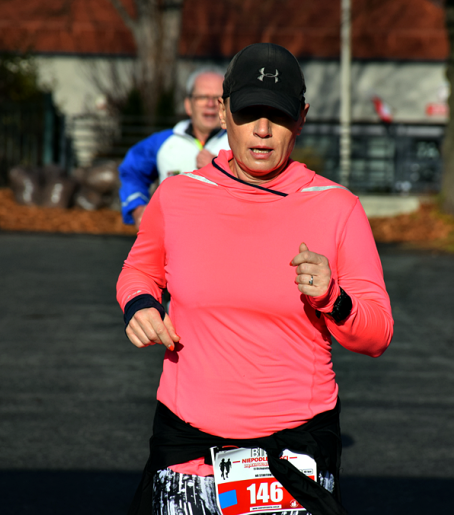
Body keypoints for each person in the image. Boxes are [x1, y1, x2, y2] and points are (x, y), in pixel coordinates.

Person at [116, 43, 394, 515]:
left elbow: (376, 333)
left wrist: (332, 297)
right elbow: (139, 270)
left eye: (278, 115)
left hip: (293, 452)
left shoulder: (336, 206)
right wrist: (140, 305)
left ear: (301, 118)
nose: (262, 131)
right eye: (248, 113)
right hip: (186, 447)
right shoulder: (179, 196)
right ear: (223, 112)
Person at [118, 67, 230, 229]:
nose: (211, 104)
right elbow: (131, 171)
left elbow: (264, 189)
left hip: (225, 244)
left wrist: (221, 169)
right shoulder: (163, 142)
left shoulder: (243, 142)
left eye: (218, 98)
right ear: (188, 105)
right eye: (202, 97)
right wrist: (138, 209)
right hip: (171, 245)